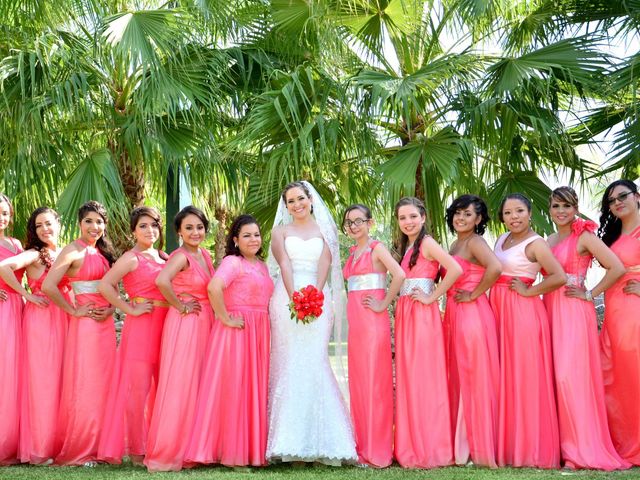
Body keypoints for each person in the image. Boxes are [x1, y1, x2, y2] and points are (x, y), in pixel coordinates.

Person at [266, 180, 357, 465]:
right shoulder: (279, 231)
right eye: (291, 201)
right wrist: (294, 296)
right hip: (286, 297)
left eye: (300, 198)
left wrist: (315, 295)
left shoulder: (325, 230)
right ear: (286, 206)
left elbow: (325, 264)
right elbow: (283, 264)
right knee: (290, 360)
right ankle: (288, 442)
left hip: (319, 296)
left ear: (311, 199)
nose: (297, 204)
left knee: (315, 360)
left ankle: (323, 441)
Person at [543, 186, 629, 470]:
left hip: (573, 309)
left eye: (567, 206)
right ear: (549, 208)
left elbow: (616, 267)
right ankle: (559, 447)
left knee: (571, 378)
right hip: (549, 309)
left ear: (575, 208)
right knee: (555, 378)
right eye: (556, 206)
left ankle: (580, 451)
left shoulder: (585, 236)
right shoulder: (549, 239)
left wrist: (590, 293)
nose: (561, 211)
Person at [186, 214, 274, 467]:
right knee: (235, 388)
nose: (253, 239)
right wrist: (224, 318)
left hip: (258, 330)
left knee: (251, 388)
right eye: (246, 235)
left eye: (256, 234)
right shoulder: (233, 262)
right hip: (236, 330)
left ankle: (250, 450)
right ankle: (231, 452)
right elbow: (214, 287)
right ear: (235, 239)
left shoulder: (262, 265)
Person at [490, 193, 564, 468]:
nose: (514, 217)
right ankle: (507, 445)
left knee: (525, 377)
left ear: (530, 212)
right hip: (498, 309)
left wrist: (529, 290)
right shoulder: (500, 240)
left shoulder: (537, 243)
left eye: (519, 211)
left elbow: (559, 276)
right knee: (506, 376)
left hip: (522, 312)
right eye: (508, 213)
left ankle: (531, 449)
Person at [42, 200, 117, 466]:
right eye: (89, 221)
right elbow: (50, 285)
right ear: (79, 223)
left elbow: (112, 290)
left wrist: (110, 311)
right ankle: (82, 448)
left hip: (104, 325)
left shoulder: (103, 253)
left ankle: (103, 447)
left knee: (106, 384)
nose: (94, 226)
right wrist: (73, 311)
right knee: (86, 384)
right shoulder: (72, 251)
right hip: (84, 327)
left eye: (99, 222)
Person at [144, 206, 215, 472]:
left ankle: (196, 447)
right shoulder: (181, 256)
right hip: (186, 323)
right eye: (189, 228)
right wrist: (180, 305)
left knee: (198, 382)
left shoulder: (204, 254)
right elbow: (162, 281)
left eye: (199, 227)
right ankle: (173, 449)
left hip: (204, 321)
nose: (195, 232)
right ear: (178, 232)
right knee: (182, 383)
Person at [393, 196, 462, 468]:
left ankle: (431, 447)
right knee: (410, 376)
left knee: (424, 376)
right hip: (406, 313)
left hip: (422, 315)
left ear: (423, 217)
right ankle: (411, 443)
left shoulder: (429, 243)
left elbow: (455, 269)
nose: (408, 222)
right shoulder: (409, 245)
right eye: (402, 218)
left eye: (412, 216)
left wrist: (433, 297)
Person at [97, 207, 169, 465]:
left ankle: (159, 443)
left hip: (167, 326)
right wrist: (129, 309)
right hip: (142, 327)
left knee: (163, 387)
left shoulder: (165, 257)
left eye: (154, 225)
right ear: (133, 231)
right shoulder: (131, 257)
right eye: (143, 226)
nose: (150, 230)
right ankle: (137, 450)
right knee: (138, 390)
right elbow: (105, 285)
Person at [0, 207, 67, 465]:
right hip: (34, 315)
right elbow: (5, 268)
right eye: (39, 226)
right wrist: (26, 293)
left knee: (49, 379)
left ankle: (55, 441)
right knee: (39, 381)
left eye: (48, 224)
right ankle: (38, 447)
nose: (44, 230)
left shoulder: (18, 244)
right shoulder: (33, 253)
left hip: (53, 316)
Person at [342, 204, 404, 468]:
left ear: (370, 222)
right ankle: (362, 444)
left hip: (372, 323)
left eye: (359, 221)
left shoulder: (376, 248)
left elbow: (399, 275)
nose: (354, 226)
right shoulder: (353, 251)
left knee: (374, 383)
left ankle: (378, 450)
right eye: (349, 222)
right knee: (360, 382)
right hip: (356, 324)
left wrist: (383, 304)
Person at [443, 195, 501, 468]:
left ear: (478, 219)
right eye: (457, 213)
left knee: (472, 375)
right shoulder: (456, 243)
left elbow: (496, 268)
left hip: (472, 313)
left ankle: (475, 445)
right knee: (460, 374)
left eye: (467, 214)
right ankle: (460, 442)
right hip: (455, 313)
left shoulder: (475, 241)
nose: (461, 218)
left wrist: (475, 293)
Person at [598, 179, 640, 465]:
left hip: (634, 309)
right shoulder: (612, 235)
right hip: (613, 309)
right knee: (611, 374)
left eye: (622, 196)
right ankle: (620, 441)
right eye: (611, 201)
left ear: (637, 196)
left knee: (634, 374)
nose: (617, 203)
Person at [0, 194, 24, 465]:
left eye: (5, 213)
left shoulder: (16, 243)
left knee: (15, 373)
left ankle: (13, 440)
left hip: (18, 310)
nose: (1, 218)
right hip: (3, 308)